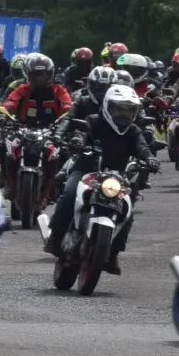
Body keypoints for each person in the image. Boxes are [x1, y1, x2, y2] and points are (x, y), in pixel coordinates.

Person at [45, 82, 152, 266]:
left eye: (128, 110)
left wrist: (150, 159)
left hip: (117, 177)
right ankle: (55, 237)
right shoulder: (93, 120)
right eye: (119, 109)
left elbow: (142, 147)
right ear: (108, 106)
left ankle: (113, 253)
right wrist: (78, 141)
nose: (123, 114)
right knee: (69, 194)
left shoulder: (133, 131)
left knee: (127, 211)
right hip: (87, 170)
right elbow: (81, 133)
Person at [3, 54, 76, 128]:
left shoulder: (58, 90)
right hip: (23, 132)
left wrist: (67, 113)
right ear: (29, 74)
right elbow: (11, 102)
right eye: (36, 74)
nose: (39, 78)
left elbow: (67, 106)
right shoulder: (22, 89)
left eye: (42, 74)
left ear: (49, 74)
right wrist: (6, 111)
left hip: (53, 134)